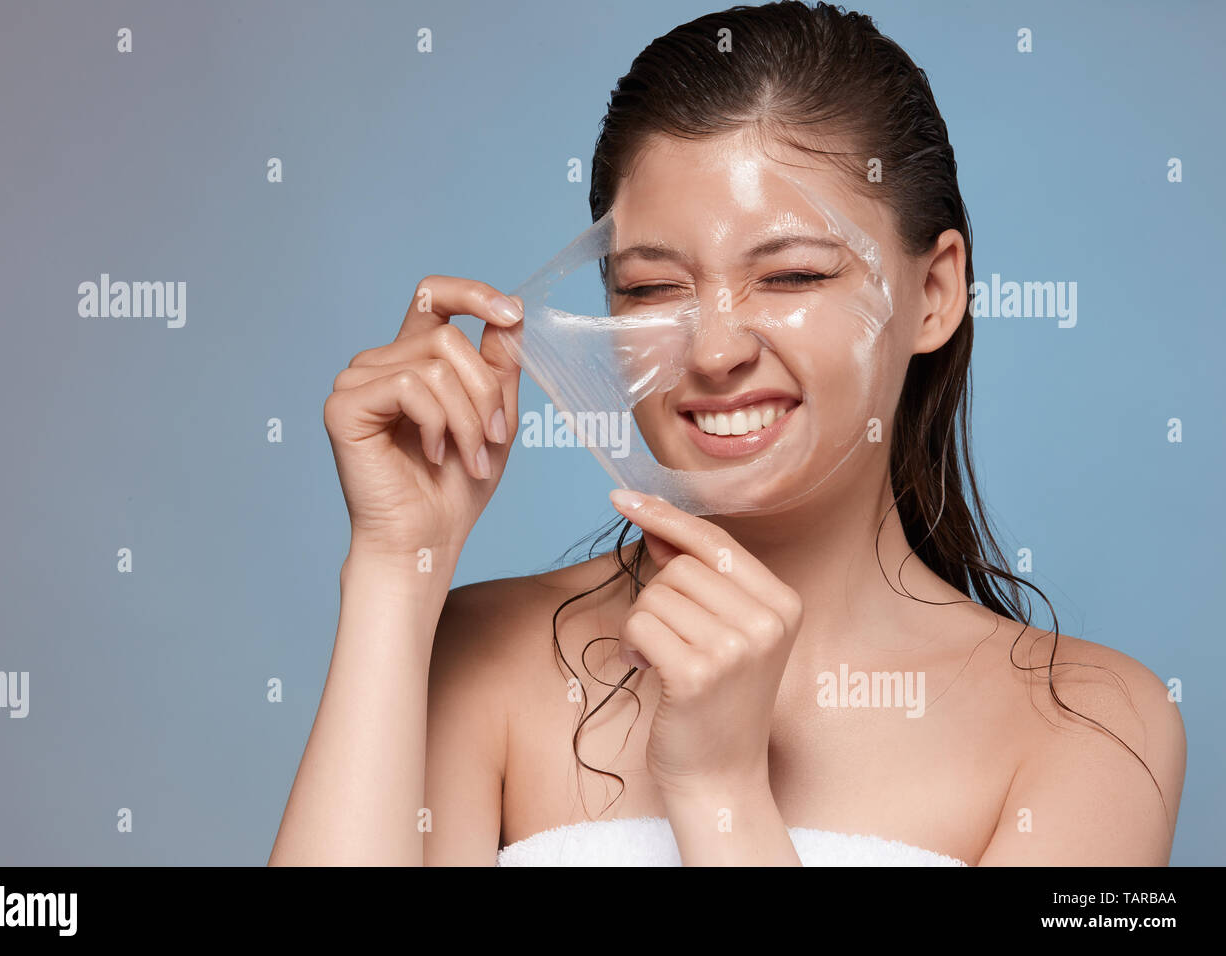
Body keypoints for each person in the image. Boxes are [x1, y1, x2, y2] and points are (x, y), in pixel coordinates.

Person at [269, 0, 1185, 866]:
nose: (711, 353)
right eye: (652, 288)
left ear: (936, 293)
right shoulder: (486, 655)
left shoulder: (1096, 726)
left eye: (789, 277)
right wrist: (395, 566)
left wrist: (720, 793)